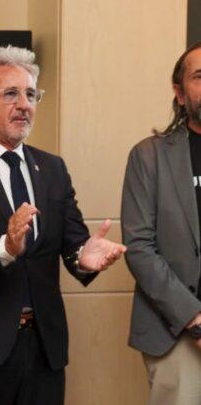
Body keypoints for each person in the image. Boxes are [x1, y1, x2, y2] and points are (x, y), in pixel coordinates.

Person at [0, 46, 126, 405]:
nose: (24, 105)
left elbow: (73, 243)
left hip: (43, 349)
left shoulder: (52, 169)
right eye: (11, 94)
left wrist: (84, 258)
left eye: (31, 95)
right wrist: (5, 248)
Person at [122, 42, 201, 405]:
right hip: (176, 333)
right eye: (199, 76)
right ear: (179, 92)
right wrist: (193, 318)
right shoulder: (149, 156)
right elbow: (139, 248)